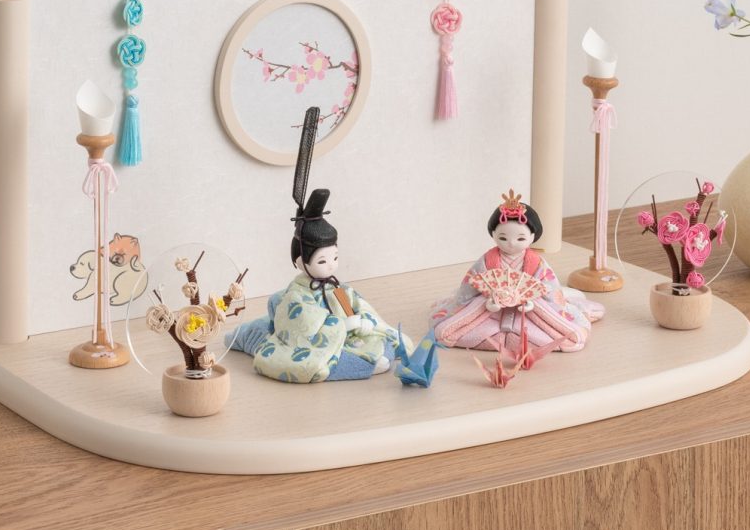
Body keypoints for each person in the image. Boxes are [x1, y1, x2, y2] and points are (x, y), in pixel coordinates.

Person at [230, 107, 406, 383]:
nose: (331, 266)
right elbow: (300, 325)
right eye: (322, 261)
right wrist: (339, 325)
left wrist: (359, 320)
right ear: (301, 262)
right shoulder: (295, 295)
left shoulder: (335, 285)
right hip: (318, 340)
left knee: (383, 342)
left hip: (344, 332)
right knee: (317, 361)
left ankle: (363, 356)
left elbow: (355, 306)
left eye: (334, 258)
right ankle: (356, 363)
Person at [431, 190, 603, 352]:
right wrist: (490, 303)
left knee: (567, 337)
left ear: (532, 237)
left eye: (520, 238)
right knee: (445, 332)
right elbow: (469, 290)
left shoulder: (537, 263)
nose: (511, 243)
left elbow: (550, 292)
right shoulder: (487, 261)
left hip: (530, 314)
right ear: (493, 234)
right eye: (503, 238)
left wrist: (531, 303)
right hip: (490, 312)